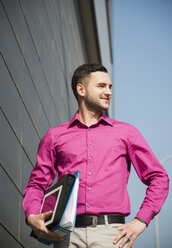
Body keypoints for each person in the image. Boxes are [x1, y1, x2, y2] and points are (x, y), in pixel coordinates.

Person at [23, 63, 169, 248]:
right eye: (101, 86)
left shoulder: (126, 133)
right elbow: (36, 184)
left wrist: (141, 220)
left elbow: (159, 178)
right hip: (66, 235)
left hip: (112, 235)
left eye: (110, 87)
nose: (108, 91)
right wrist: (32, 214)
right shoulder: (55, 136)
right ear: (81, 89)